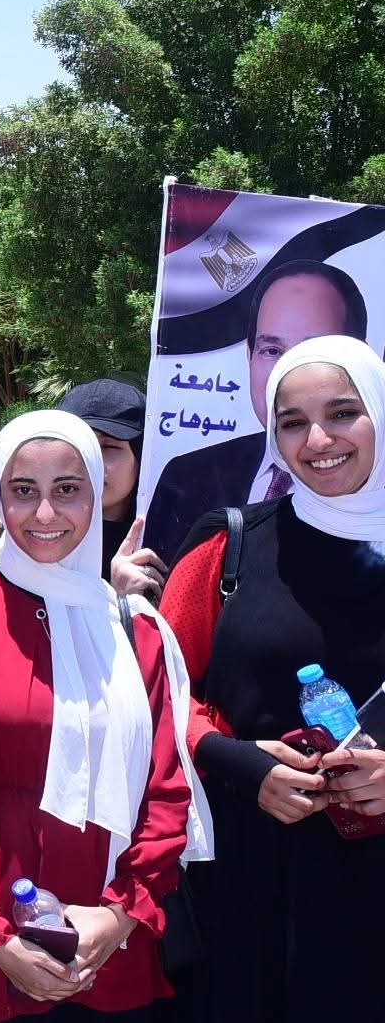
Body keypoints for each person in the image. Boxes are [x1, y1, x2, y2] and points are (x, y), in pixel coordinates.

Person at [0, 410, 208, 1023]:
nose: (45, 513)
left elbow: (166, 786)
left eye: (68, 489)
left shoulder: (135, 631)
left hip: (108, 950)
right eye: (23, 490)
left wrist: (119, 914)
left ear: (98, 494)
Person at [158, 335, 385, 1021]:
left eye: (342, 412)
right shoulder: (227, 546)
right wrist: (240, 763)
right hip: (247, 877)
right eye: (292, 422)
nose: (318, 440)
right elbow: (154, 690)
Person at [145, 260, 368, 563]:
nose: (288, 372)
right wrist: (123, 588)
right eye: (272, 351)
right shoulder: (186, 477)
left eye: (313, 352)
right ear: (249, 356)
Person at [58, 379, 169, 599]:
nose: (90, 461)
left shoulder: (168, 543)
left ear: (142, 457)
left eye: (108, 446)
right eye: (77, 446)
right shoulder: (38, 536)